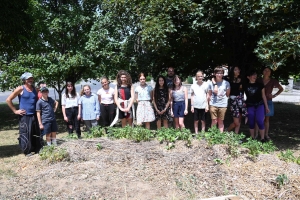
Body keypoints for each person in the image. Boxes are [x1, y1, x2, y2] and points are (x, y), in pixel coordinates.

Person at [6, 72, 43, 155]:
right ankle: (27, 151)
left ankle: (37, 149)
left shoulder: (35, 89)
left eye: (31, 78)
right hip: (24, 116)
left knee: (36, 132)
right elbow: (8, 100)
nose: (30, 80)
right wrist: (15, 111)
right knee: (26, 133)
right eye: (28, 79)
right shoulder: (20, 89)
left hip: (34, 114)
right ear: (24, 80)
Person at [256, 67, 283, 140]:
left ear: (270, 72)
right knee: (258, 118)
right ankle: (256, 134)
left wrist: (274, 95)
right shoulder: (258, 80)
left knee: (267, 119)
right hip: (258, 101)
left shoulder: (273, 81)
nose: (266, 72)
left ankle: (266, 135)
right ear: (262, 72)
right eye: (265, 70)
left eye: (268, 70)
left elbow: (281, 89)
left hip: (268, 101)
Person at [243, 70, 270, 142]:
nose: (255, 76)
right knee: (251, 122)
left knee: (260, 121)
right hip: (250, 106)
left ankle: (262, 138)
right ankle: (252, 137)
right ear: (248, 77)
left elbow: (263, 96)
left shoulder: (260, 85)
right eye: (252, 75)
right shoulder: (245, 85)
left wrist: (266, 107)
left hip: (260, 105)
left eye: (255, 74)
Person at [207, 66, 230, 133]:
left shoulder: (226, 83)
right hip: (213, 104)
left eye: (221, 73)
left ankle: (220, 135)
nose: (219, 75)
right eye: (217, 73)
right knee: (214, 121)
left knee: (220, 121)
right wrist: (208, 104)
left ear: (223, 74)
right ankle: (213, 134)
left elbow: (228, 94)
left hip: (223, 104)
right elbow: (209, 94)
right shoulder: (211, 83)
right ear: (215, 74)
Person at [226, 66, 247, 134]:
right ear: (232, 71)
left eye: (238, 70)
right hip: (233, 101)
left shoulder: (241, 79)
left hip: (240, 100)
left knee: (239, 119)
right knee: (236, 122)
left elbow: (242, 89)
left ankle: (236, 135)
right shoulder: (228, 79)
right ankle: (227, 130)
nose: (238, 71)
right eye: (235, 70)